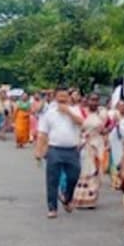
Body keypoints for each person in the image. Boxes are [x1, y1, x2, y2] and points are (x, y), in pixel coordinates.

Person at [34, 86, 84, 219]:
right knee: (52, 180)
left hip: (72, 149)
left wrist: (68, 112)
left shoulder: (75, 110)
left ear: (68, 98)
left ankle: (67, 198)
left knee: (74, 176)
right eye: (59, 97)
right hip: (54, 149)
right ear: (55, 98)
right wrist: (39, 151)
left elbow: (82, 123)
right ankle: (52, 208)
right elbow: (43, 134)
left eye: (65, 97)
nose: (62, 99)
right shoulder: (49, 114)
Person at [72, 93, 108, 209]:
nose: (94, 103)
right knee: (84, 172)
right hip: (85, 145)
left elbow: (107, 127)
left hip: (98, 145)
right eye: (92, 100)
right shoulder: (81, 113)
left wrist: (105, 134)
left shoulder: (102, 113)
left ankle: (92, 200)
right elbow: (77, 129)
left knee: (96, 172)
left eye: (96, 100)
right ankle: (80, 199)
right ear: (87, 101)